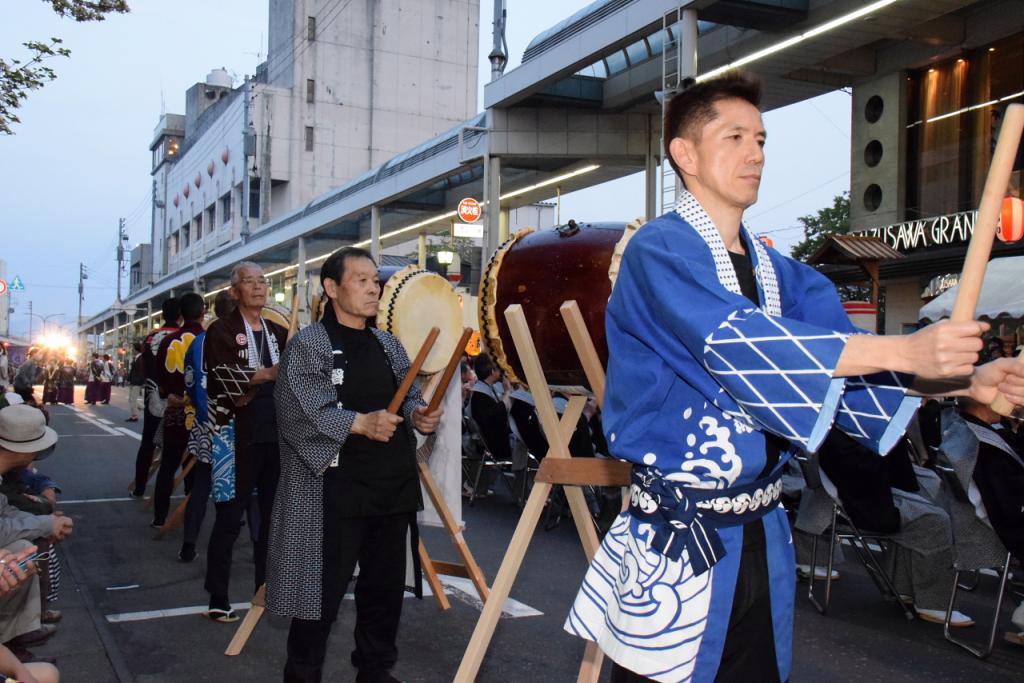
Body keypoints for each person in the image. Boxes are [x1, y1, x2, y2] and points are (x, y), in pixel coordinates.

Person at [563, 73, 1024, 683]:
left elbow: (846, 370)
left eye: (761, 139)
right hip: (680, 543)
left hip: (762, 528)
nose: (756, 153)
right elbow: (740, 345)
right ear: (685, 153)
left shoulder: (784, 275)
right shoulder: (658, 253)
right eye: (735, 137)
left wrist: (966, 384)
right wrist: (911, 351)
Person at [267, 246, 442, 683]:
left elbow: (410, 393)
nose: (372, 287)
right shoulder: (309, 344)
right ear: (331, 288)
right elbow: (299, 413)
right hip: (332, 492)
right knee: (319, 596)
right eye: (361, 280)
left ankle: (375, 672)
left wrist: (420, 415)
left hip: (390, 488)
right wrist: (360, 422)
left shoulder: (388, 343)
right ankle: (303, 674)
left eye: (374, 280)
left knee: (383, 592)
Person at [202, 263, 286, 622]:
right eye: (249, 282)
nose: (257, 287)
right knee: (229, 518)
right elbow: (221, 379)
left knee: (272, 517)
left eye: (262, 281)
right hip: (236, 435)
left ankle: (265, 590)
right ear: (234, 292)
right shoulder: (220, 331)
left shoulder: (279, 331)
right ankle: (217, 596)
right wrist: (268, 373)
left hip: (274, 434)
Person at [179, 290, 236, 563]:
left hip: (206, 422)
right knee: (250, 490)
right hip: (237, 425)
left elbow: (189, 381)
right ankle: (258, 548)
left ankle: (189, 543)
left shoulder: (199, 342)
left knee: (202, 485)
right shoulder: (244, 339)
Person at [151, 293, 205, 528]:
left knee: (168, 464)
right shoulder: (207, 339)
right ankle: (190, 517)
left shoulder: (167, 341)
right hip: (200, 413)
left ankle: (159, 516)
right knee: (197, 464)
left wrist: (169, 395)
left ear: (181, 315)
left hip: (175, 410)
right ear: (203, 312)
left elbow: (159, 377)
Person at [131, 299, 180, 498]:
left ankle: (139, 487)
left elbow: (144, 365)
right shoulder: (183, 337)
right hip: (179, 397)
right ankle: (188, 490)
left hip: (154, 395)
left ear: (162, 315)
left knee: (148, 443)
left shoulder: (151, 337)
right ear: (180, 316)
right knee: (182, 445)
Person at [126, 343, 144, 422]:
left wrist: (139, 382)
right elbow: (132, 371)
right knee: (131, 399)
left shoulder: (141, 358)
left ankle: (134, 416)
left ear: (136, 349)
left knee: (133, 399)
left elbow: (141, 372)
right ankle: (143, 408)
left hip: (137, 382)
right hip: (133, 381)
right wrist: (129, 380)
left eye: (133, 348)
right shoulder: (136, 358)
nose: (132, 350)